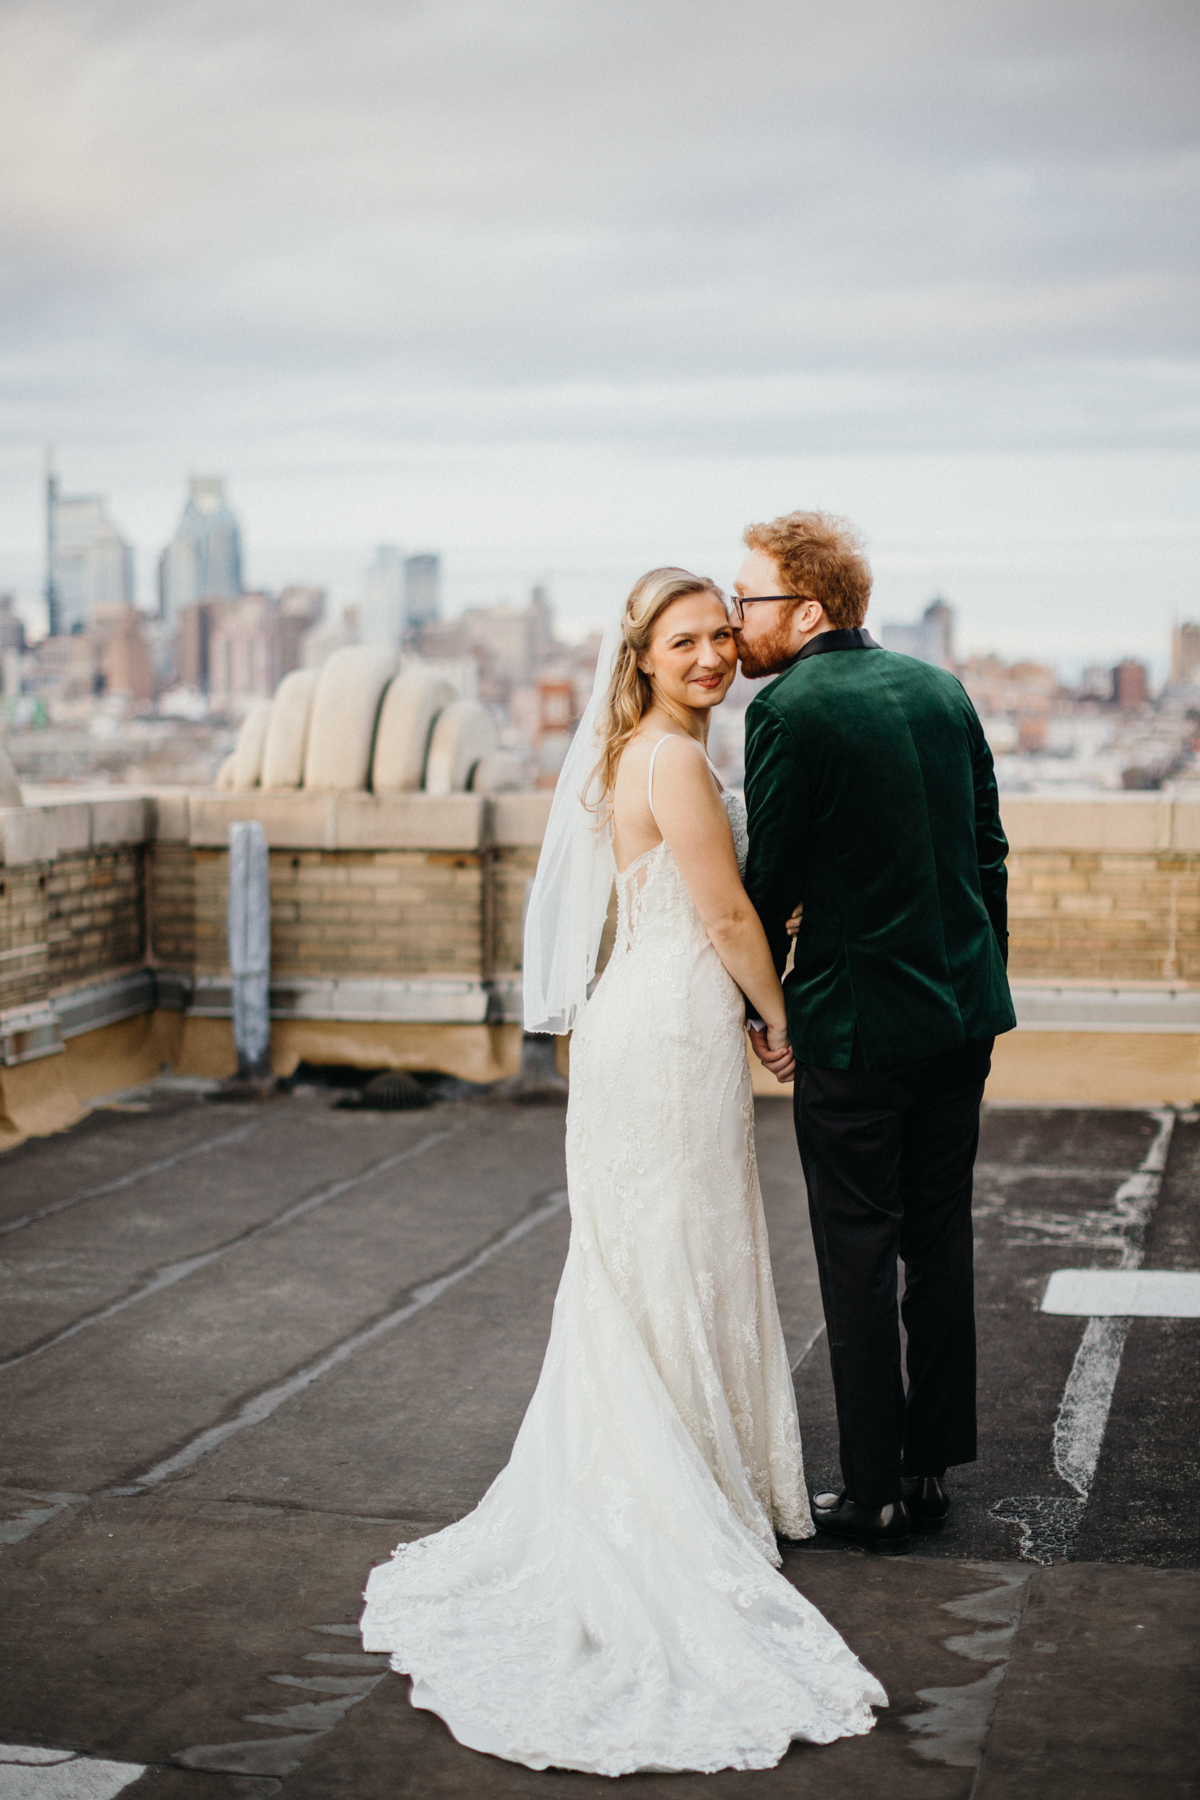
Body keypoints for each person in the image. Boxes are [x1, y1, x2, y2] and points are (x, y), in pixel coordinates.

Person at [360, 567, 886, 1775]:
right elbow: (728, 918)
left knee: (661, 1251)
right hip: (668, 1030)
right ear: (640, 657)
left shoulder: (639, 754)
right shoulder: (674, 762)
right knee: (675, 1245)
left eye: (718, 636)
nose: (708, 656)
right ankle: (678, 1490)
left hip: (646, 1029)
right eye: (681, 641)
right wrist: (780, 1019)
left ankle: (697, 1469)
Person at [735, 511, 1016, 1554]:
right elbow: (988, 853)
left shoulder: (790, 710)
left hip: (857, 1027)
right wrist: (975, 974)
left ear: (807, 608)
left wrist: (762, 1006)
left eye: (749, 598)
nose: (737, 620)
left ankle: (873, 1488)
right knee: (939, 1235)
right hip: (962, 1015)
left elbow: (771, 884)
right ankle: (930, 1468)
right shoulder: (939, 688)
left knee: (858, 1250)